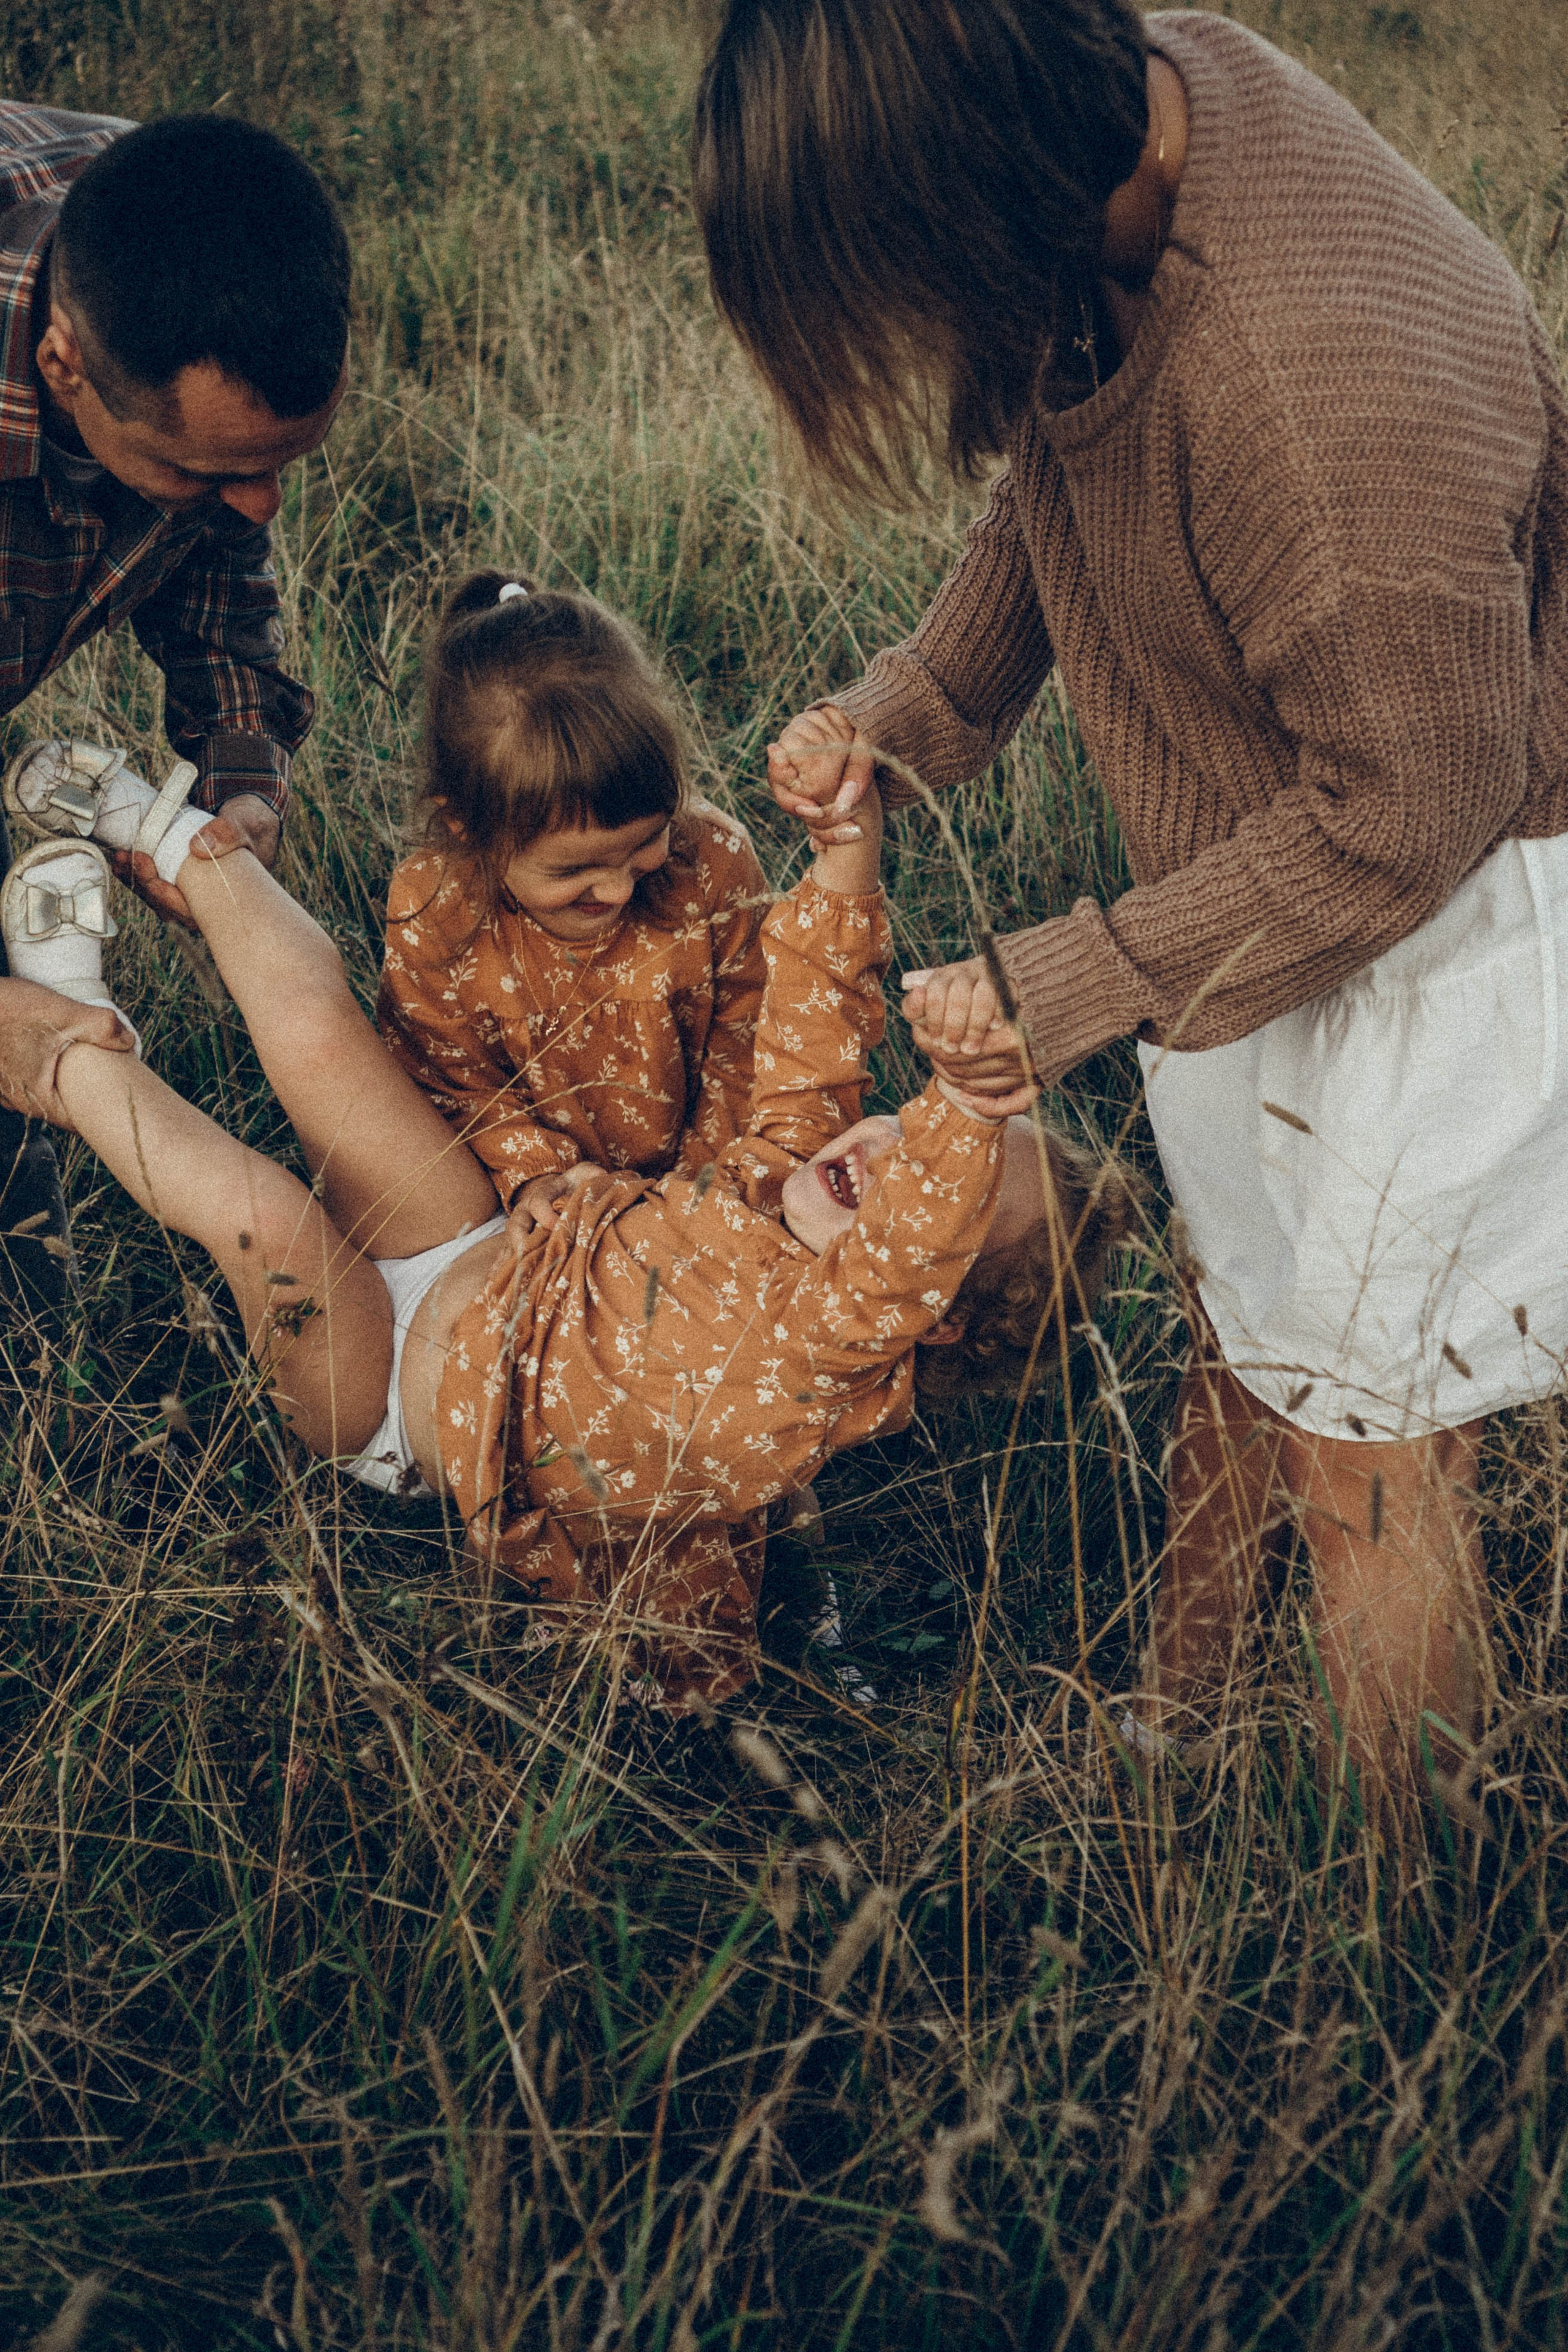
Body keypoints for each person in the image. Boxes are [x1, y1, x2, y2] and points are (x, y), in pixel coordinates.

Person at [692, 0, 1568, 1787]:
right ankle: (1172, 1729)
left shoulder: (1310, 390)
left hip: (1454, 906)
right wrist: (911, 710)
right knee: (1240, 1326)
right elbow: (1061, 477)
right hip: (1268, 862)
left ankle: (1376, 1962)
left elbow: (1410, 807)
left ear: (973, 210)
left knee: (1368, 1462)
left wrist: (1073, 975)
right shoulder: (1113, 134)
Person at [0, 753, 1130, 1708]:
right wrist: (849, 855)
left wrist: (978, 1104)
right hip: (477, 1246)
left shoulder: (819, 1351)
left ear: (924, 1310)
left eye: (929, 1186)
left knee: (264, 1216)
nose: (891, 1154)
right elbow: (817, 1032)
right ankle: (169, 827)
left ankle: (62, 1043)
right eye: (907, 1129)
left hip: (386, 1397)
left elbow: (906, 1241)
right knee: (321, 1037)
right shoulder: (787, 1178)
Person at [0, 103, 349, 1325]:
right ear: (61, 368)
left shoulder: (187, 234)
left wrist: (242, 782)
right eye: (205, 475)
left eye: (281, 463)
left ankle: (31, 1383)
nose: (255, 508)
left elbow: (219, 572)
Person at [377, 571, 769, 1235]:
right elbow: (446, 1075)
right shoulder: (435, 905)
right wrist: (537, 1172)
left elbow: (753, 1037)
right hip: (539, 1209)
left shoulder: (712, 862)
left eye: (646, 842)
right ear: (467, 827)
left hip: (714, 1194)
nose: (618, 888)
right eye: (574, 868)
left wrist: (701, 1191)